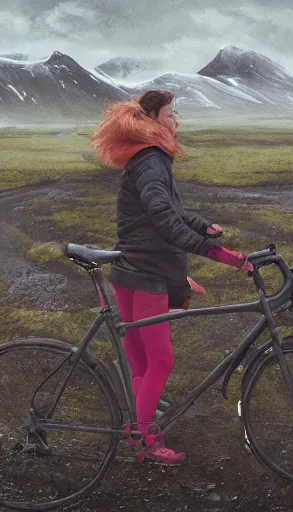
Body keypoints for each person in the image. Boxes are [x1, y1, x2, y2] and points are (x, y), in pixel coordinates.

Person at [90, 89, 253, 464]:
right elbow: (163, 219)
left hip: (129, 269)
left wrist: (200, 225)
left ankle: (141, 418)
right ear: (151, 120)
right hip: (147, 274)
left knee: (143, 364)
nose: (175, 121)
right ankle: (143, 440)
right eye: (170, 115)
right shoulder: (151, 161)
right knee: (161, 361)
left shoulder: (147, 159)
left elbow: (168, 209)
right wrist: (217, 253)